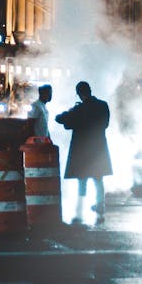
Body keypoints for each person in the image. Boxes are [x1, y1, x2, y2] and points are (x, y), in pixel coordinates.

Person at [55, 80, 112, 225]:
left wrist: (70, 114)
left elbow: (60, 119)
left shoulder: (79, 109)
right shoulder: (103, 105)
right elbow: (105, 124)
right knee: (98, 179)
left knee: (82, 180)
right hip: (98, 148)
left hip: (82, 149)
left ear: (79, 94)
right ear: (90, 90)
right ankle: (100, 206)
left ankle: (80, 208)